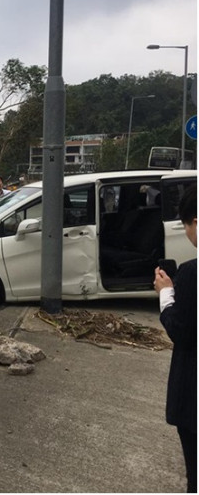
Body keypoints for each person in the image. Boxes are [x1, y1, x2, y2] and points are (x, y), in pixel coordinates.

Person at [154, 184, 197, 493]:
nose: (186, 232)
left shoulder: (191, 274)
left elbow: (181, 330)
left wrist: (166, 294)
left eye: (186, 224)